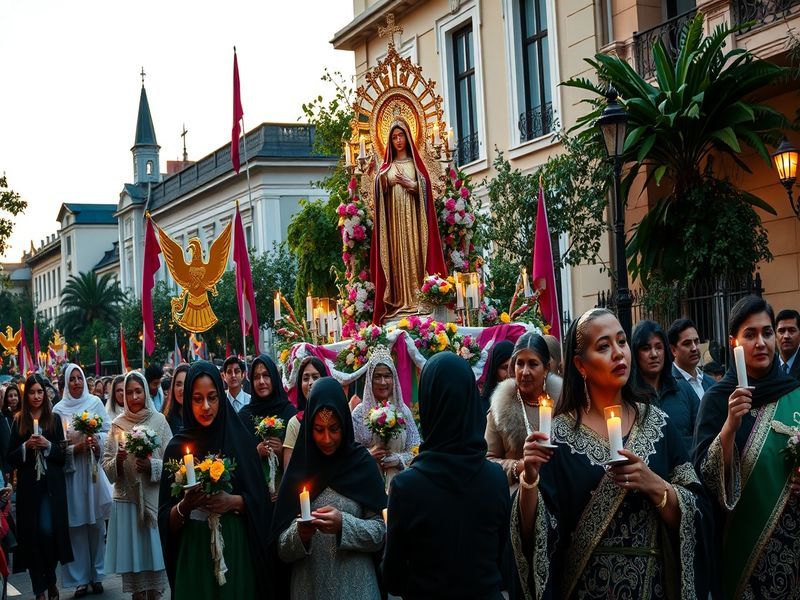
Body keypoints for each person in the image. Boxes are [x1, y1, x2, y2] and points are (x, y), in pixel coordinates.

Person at [513, 308, 711, 598]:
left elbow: (698, 511)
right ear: (581, 365)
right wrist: (529, 478)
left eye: (622, 342)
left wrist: (655, 485)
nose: (619, 353)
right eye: (604, 346)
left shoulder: (657, 424)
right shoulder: (557, 437)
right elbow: (535, 539)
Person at [695, 296, 800, 598]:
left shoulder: (794, 393)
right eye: (750, 334)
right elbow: (703, 479)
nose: (762, 342)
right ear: (734, 343)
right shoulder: (717, 401)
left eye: (767, 332)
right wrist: (729, 426)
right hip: (741, 549)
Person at [384, 352, 510, 599]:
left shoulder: (406, 487)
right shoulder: (495, 479)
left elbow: (393, 579)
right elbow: (502, 562)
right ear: (471, 402)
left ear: (430, 405)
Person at [157, 361, 272, 599]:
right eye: (197, 399)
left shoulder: (240, 440)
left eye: (212, 397)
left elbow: (261, 501)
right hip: (194, 552)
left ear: (221, 396)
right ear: (187, 401)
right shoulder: (177, 449)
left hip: (236, 548)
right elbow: (165, 518)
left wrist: (233, 502)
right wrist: (185, 506)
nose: (206, 406)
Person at [273, 377, 386, 599]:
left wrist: (344, 524)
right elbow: (280, 549)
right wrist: (300, 534)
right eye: (318, 429)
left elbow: (381, 533)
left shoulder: (361, 465)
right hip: (310, 588)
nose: (327, 439)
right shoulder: (299, 472)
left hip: (357, 588)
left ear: (344, 423)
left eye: (334, 429)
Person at [103, 371, 172, 599]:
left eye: (138, 391)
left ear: (145, 392)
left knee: (153, 564)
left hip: (151, 501)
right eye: (128, 392)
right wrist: (119, 462)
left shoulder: (159, 421)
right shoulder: (117, 425)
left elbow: (172, 462)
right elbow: (106, 464)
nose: (133, 397)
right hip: (126, 502)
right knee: (134, 568)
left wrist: (151, 465)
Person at [370, 119, 446, 323]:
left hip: (415, 223)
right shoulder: (386, 169)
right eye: (394, 137)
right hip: (394, 226)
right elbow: (377, 191)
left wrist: (412, 184)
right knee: (397, 258)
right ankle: (401, 300)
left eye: (401, 135)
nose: (398, 140)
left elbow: (426, 191)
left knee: (416, 254)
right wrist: (386, 181)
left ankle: (419, 299)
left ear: (408, 136)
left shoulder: (416, 167)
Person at [7, 374, 73, 600]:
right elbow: (11, 458)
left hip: (50, 489)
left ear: (45, 394)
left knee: (47, 533)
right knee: (31, 537)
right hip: (28, 489)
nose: (36, 396)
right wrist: (25, 446)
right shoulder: (18, 421)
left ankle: (51, 579)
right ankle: (39, 589)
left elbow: (62, 456)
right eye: (32, 392)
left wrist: (47, 446)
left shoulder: (53, 420)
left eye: (40, 392)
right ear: (27, 396)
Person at [52, 364, 113, 597]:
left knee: (97, 526)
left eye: (80, 378)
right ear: (66, 383)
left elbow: (109, 432)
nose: (77, 382)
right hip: (73, 473)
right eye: (72, 379)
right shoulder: (58, 410)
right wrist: (73, 447)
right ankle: (79, 579)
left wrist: (96, 440)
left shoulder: (95, 403)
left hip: (93, 472)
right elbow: (57, 446)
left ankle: (97, 574)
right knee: (76, 527)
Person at [486, 332, 556, 488]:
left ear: (546, 369)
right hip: (518, 497)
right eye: (520, 363)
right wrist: (519, 467)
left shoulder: (564, 405)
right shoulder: (500, 409)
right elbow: (487, 462)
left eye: (532, 364)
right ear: (513, 367)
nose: (525, 372)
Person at [351, 349, 420, 491]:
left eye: (387, 376)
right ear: (370, 380)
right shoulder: (359, 414)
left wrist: (398, 460)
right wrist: (368, 455)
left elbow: (415, 449)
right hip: (369, 482)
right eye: (377, 377)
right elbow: (350, 454)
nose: (383, 382)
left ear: (393, 378)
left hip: (402, 483)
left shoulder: (403, 411)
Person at [631, 320, 698, 452]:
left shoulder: (683, 389)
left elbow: (702, 436)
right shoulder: (630, 396)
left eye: (658, 347)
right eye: (646, 348)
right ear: (635, 353)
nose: (654, 354)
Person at [238, 355, 297, 501]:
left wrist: (282, 453)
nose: (261, 381)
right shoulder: (244, 417)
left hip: (285, 497)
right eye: (256, 377)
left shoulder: (289, 413)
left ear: (274, 379)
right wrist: (256, 453)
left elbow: (302, 460)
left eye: (266, 375)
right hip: (255, 499)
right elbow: (237, 460)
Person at [282, 357, 327, 470]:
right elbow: (289, 470)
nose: (311, 382)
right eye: (305, 378)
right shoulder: (296, 423)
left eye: (315, 377)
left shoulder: (337, 417)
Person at [667, 318, 715, 402]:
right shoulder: (668, 383)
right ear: (673, 350)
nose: (694, 348)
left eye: (696, 342)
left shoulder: (711, 383)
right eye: (687, 344)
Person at [480, 340, 513, 413]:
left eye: (513, 367)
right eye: (504, 368)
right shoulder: (483, 405)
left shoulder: (526, 400)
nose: (509, 373)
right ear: (495, 370)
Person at [162, 364, 188, 433]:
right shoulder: (166, 419)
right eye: (178, 384)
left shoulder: (201, 419)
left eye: (186, 383)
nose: (182, 389)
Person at [776, 308, 800, 379]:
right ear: (775, 335)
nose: (786, 336)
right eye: (781, 331)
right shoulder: (768, 364)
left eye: (792, 330)